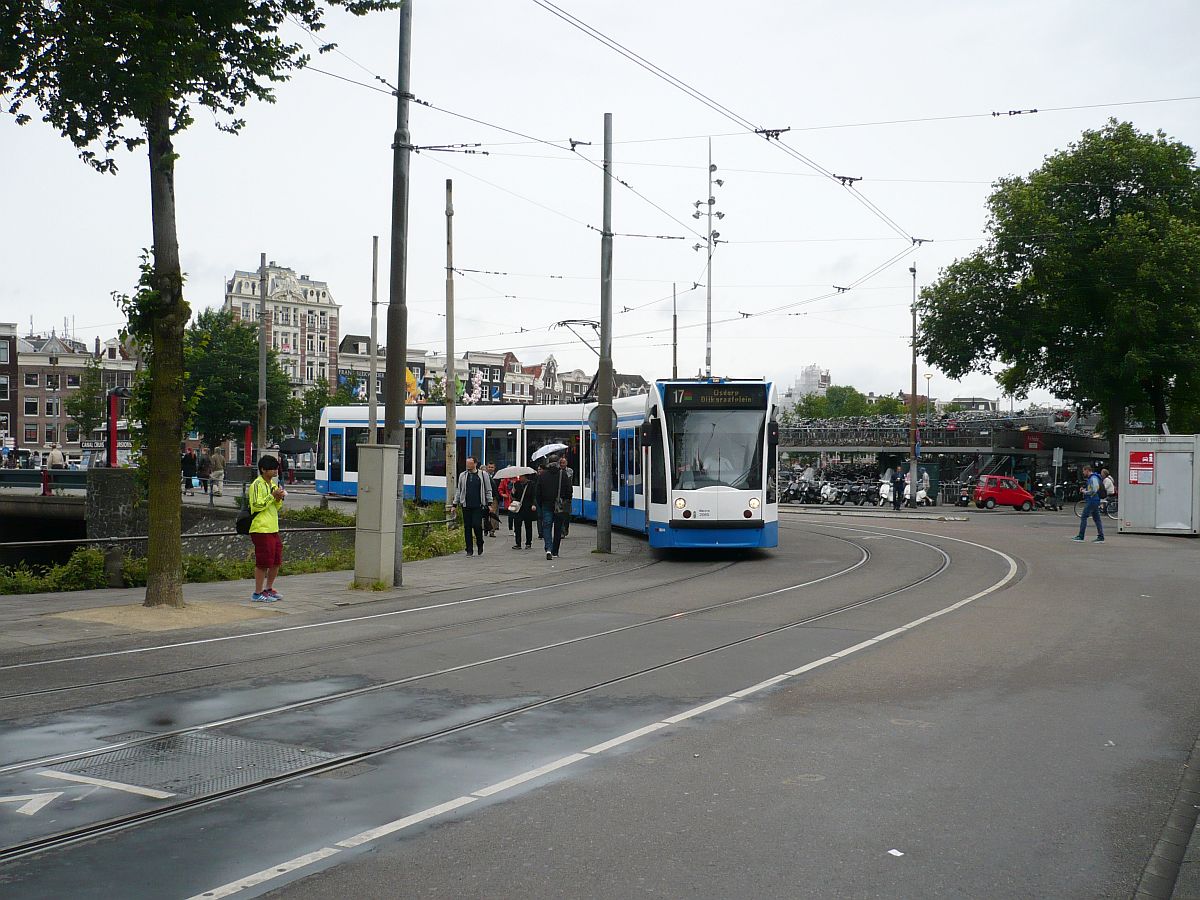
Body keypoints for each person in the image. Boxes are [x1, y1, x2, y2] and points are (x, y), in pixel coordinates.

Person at [247, 453, 287, 601]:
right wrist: (272, 496)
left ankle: (268, 588)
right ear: (263, 469)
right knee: (263, 562)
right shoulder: (257, 484)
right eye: (272, 469)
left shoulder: (273, 485)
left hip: (273, 527)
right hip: (260, 528)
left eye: (276, 469)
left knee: (276, 560)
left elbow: (276, 506)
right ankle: (257, 593)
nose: (275, 472)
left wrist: (278, 497)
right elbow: (256, 505)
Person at [454, 456, 493, 557]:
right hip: (466, 505)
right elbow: (459, 490)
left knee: (477, 525)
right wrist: (455, 503)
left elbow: (488, 490)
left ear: (475, 464)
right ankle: (469, 549)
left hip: (478, 505)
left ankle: (480, 543)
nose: (468, 465)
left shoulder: (483, 475)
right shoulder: (463, 475)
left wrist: (489, 503)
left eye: (470, 463)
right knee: (467, 527)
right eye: (467, 463)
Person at [537, 454, 572, 560]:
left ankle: (548, 548)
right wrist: (566, 500)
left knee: (547, 527)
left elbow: (538, 492)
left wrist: (540, 503)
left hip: (546, 505)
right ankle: (555, 551)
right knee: (558, 528)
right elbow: (569, 490)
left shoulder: (542, 475)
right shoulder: (563, 474)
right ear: (557, 463)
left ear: (548, 463)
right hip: (559, 506)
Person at [1073, 464, 1105, 543]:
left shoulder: (1093, 478)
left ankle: (1081, 536)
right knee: (1097, 519)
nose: (1083, 473)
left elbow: (1094, 489)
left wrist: (1085, 492)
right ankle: (1101, 537)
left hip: (1092, 500)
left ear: (1087, 470)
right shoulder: (1094, 477)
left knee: (1084, 516)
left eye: (1084, 471)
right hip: (1095, 500)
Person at [510, 473, 538, 550]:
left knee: (528, 525)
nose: (520, 478)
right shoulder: (516, 484)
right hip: (518, 508)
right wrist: (513, 492)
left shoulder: (531, 484)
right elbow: (513, 496)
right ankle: (518, 543)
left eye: (521, 476)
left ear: (525, 477)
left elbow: (534, 496)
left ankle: (528, 543)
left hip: (528, 507)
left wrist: (533, 504)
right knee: (517, 525)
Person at [557, 455, 573, 536]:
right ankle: (562, 531)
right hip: (559, 495)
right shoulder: (557, 471)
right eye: (561, 463)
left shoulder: (569, 471)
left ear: (566, 463)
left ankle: (565, 529)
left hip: (567, 495)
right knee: (561, 514)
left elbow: (568, 479)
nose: (562, 464)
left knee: (566, 514)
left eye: (563, 463)